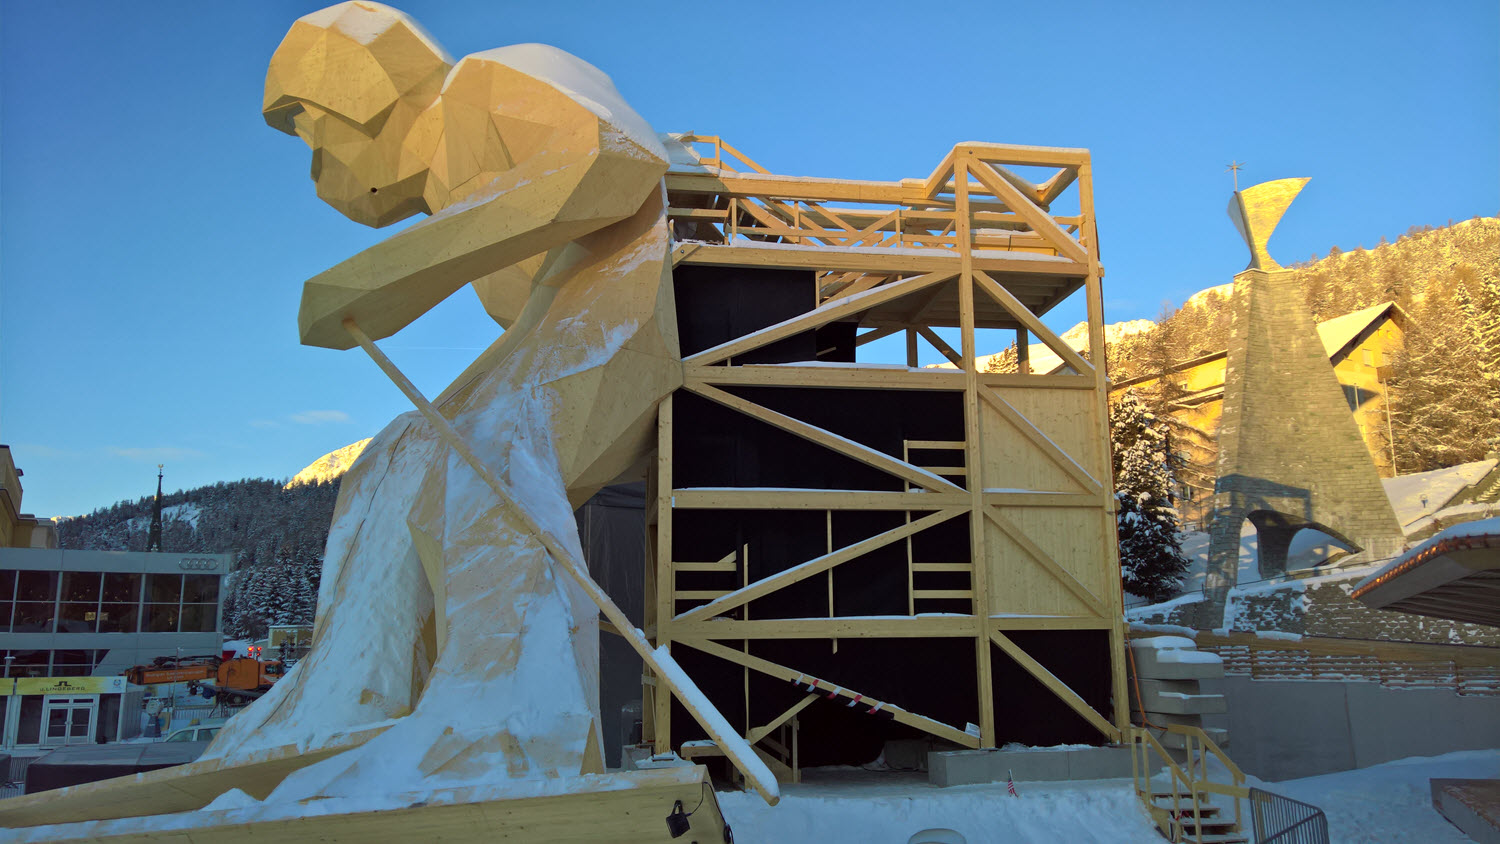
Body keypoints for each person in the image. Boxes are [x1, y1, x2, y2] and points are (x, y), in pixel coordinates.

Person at [204, 2, 681, 799]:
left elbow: (619, 158)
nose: (317, 157)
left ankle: (509, 727)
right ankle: (352, 699)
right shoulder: (452, 168)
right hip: (557, 325)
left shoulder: (490, 83)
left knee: (491, 458)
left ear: (359, 93)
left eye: (311, 128)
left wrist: (388, 274)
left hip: (630, 313)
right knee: (390, 460)